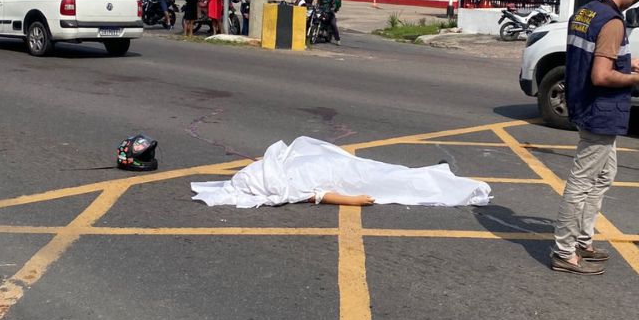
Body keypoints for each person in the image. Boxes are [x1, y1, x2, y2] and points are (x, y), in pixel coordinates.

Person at [551, 0, 639, 275]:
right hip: (600, 110)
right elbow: (601, 75)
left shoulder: (586, 11)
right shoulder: (612, 21)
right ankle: (564, 251)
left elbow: (594, 57)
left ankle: (582, 240)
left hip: (584, 103)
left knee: (603, 175)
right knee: (582, 181)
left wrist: (629, 62)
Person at [190, 136, 490, 208]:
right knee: (390, 178)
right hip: (344, 173)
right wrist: (353, 200)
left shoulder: (281, 176)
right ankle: (445, 181)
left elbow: (317, 195)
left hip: (343, 170)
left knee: (389, 176)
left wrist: (352, 200)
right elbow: (319, 194)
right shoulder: (281, 173)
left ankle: (438, 178)